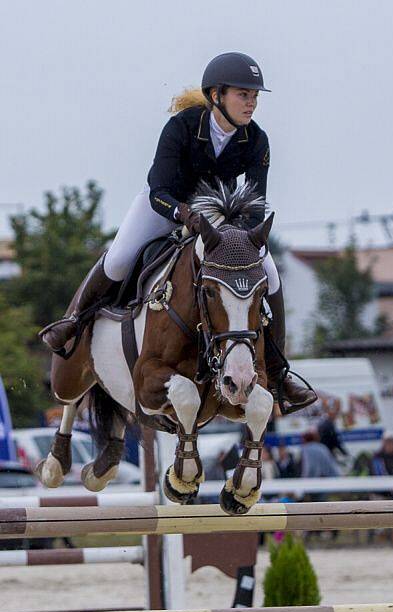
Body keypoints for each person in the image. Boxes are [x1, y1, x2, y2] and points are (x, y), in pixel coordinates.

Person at [40, 52, 314, 413]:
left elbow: (255, 203)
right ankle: (75, 323)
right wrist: (185, 214)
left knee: (270, 273)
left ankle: (277, 371)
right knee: (121, 257)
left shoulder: (257, 141)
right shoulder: (182, 127)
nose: (251, 103)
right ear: (216, 95)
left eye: (254, 97)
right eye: (243, 95)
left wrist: (241, 240)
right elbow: (158, 190)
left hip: (218, 220)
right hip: (164, 206)